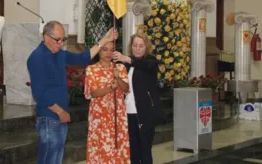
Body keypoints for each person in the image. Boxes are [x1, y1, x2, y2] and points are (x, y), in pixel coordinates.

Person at [27, 21, 118, 164]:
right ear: (46, 37)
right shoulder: (37, 58)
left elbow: (83, 58)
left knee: (57, 158)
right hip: (49, 116)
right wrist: (59, 111)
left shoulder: (59, 54)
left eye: (63, 39)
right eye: (58, 40)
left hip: (60, 114)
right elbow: (39, 93)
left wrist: (104, 40)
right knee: (48, 159)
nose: (61, 43)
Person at [113, 33, 166, 164]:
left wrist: (128, 60)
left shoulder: (151, 61)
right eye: (135, 45)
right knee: (133, 151)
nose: (137, 48)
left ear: (146, 47)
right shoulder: (127, 64)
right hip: (128, 113)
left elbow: (145, 65)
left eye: (141, 46)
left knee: (145, 150)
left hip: (145, 113)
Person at [85, 41, 130, 164]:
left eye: (111, 50)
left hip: (117, 115)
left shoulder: (120, 68)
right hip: (99, 116)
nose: (108, 53)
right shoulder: (91, 69)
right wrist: (111, 87)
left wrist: (118, 78)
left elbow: (126, 89)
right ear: (98, 51)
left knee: (117, 147)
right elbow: (93, 92)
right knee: (100, 147)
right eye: (105, 49)